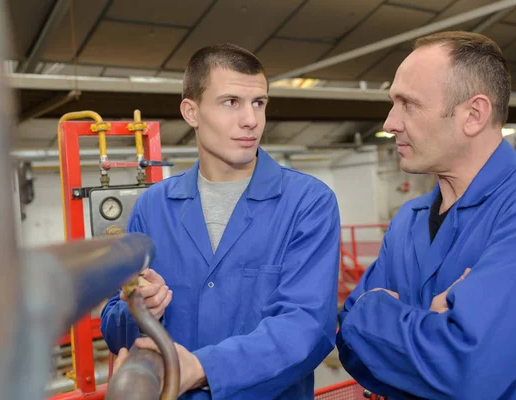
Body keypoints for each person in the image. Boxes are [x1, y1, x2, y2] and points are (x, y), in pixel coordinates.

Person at [100, 43, 340, 399]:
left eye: (259, 103)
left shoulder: (308, 203)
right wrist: (140, 311)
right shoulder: (153, 208)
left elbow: (306, 328)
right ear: (191, 112)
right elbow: (113, 322)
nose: (251, 120)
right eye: (231, 102)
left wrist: (202, 369)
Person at [337, 31, 516, 399]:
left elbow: (466, 369)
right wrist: (433, 325)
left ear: (473, 115)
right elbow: (349, 343)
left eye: (408, 104)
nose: (390, 122)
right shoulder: (408, 219)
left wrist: (371, 310)